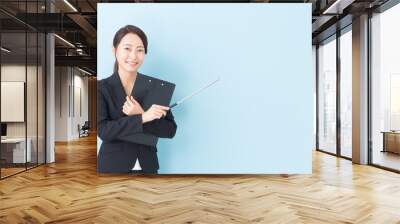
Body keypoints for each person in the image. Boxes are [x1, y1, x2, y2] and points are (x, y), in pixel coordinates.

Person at [97, 25, 177, 174]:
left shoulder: (156, 87)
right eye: (127, 48)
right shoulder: (101, 88)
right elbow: (104, 131)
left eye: (140, 50)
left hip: (148, 166)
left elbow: (170, 130)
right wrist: (142, 117)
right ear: (115, 51)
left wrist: (142, 116)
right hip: (112, 166)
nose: (133, 56)